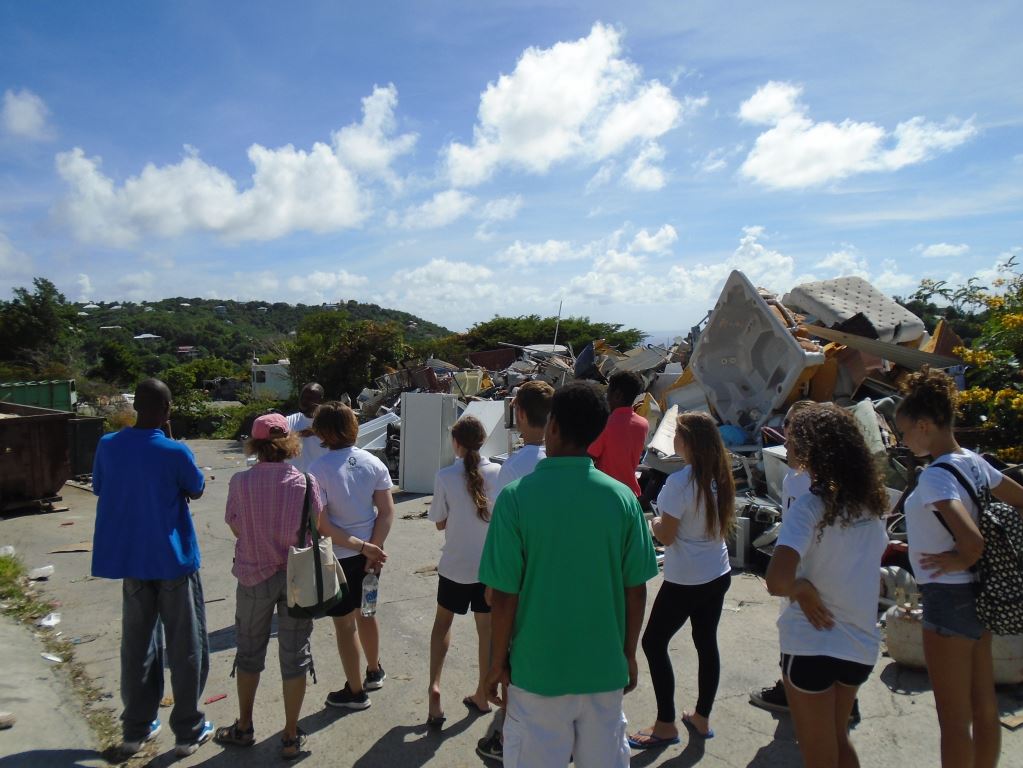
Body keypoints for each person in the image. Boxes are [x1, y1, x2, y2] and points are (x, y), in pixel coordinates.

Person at [479, 381, 659, 768]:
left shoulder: (515, 498)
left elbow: (504, 595)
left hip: (536, 673)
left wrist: (497, 661)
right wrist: (628, 653)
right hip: (603, 671)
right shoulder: (623, 499)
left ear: (553, 427)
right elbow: (636, 589)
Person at [896, 367, 1023, 768]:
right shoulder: (973, 460)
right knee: (983, 704)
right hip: (979, 591)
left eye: (904, 432)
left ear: (924, 425)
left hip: (947, 596)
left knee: (953, 719)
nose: (903, 441)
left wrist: (960, 556)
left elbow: (971, 541)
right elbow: (1019, 498)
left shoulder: (935, 478)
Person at [91, 378, 214, 759]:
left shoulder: (108, 445)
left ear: (136, 409)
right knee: (186, 646)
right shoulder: (174, 451)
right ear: (167, 410)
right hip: (173, 560)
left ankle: (136, 729)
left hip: (131, 559)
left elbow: (99, 487)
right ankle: (188, 731)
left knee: (138, 644)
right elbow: (195, 488)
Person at [765, 404, 889, 768]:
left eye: (792, 442)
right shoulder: (871, 506)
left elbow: (777, 580)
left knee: (818, 754)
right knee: (838, 740)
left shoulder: (809, 508)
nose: (786, 448)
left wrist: (802, 589)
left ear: (811, 450)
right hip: (859, 646)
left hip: (811, 646)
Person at [215, 414, 323, 758]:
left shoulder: (240, 483)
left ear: (256, 444)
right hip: (296, 578)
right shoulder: (307, 482)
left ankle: (244, 726)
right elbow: (315, 526)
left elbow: (235, 527)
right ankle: (290, 736)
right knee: (295, 657)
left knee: (249, 653)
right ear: (289, 443)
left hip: (252, 576)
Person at [628, 412, 735, 749]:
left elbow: (668, 536)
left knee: (653, 643)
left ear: (686, 442)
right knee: (706, 642)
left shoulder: (680, 483)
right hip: (717, 571)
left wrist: (653, 524)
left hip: (687, 578)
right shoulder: (720, 477)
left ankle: (665, 724)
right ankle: (701, 716)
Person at [476, 380, 554, 763]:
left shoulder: (516, 465)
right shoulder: (558, 461)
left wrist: (494, 583)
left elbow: (500, 529)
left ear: (519, 414)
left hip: (519, 576)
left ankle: (509, 734)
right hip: (553, 573)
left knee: (510, 654)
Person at [309, 401, 394, 710]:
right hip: (372, 558)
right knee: (368, 613)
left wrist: (362, 547)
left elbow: (323, 524)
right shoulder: (373, 463)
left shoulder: (317, 470)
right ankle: (374, 670)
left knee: (345, 625)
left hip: (340, 558)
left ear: (323, 432)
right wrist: (374, 547)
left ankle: (356, 691)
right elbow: (385, 512)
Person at [426, 416, 501, 727]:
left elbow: (439, 521)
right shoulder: (499, 472)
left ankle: (434, 688)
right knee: (485, 630)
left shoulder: (445, 476)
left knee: (443, 624)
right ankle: (482, 693)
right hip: (487, 568)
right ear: (482, 441)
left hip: (455, 565)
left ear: (456, 443)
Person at [588, 370, 648, 496]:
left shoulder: (606, 423)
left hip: (607, 492)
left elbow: (589, 456)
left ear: (617, 395)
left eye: (608, 392)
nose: (606, 396)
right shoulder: (643, 424)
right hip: (631, 493)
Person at [286, 382, 328, 473]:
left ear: (320, 401)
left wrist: (317, 432)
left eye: (309, 398)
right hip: (294, 481)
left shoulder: (329, 422)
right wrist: (299, 434)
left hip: (322, 481)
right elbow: (278, 442)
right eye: (302, 397)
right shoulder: (289, 420)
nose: (304, 401)